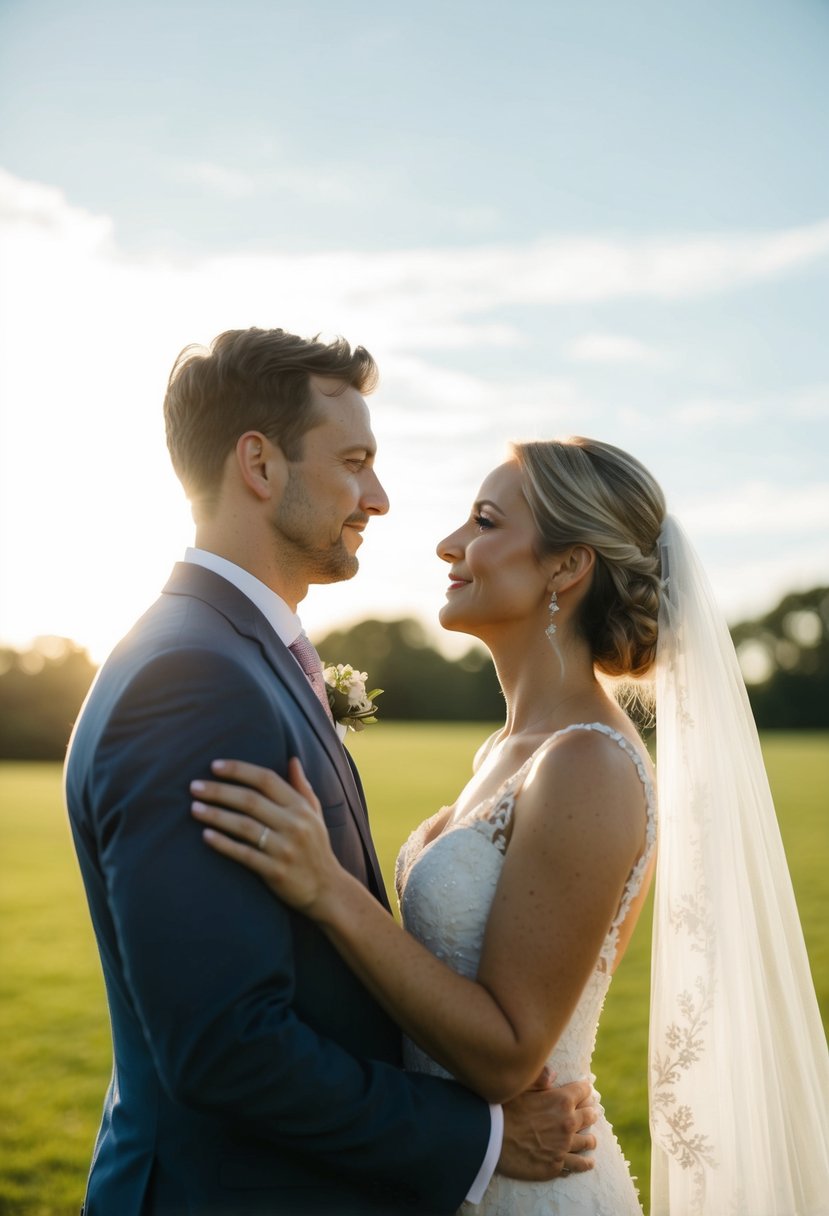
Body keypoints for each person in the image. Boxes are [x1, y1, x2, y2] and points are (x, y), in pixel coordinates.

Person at [191, 436, 829, 1215]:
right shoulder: (506, 749)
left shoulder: (586, 765)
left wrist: (328, 889)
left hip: (528, 1190)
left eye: (485, 522)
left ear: (566, 566)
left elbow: (505, 1054)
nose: (448, 544)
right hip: (455, 1169)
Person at [64, 328, 599, 1216]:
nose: (380, 498)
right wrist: (486, 1137)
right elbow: (226, 1044)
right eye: (354, 461)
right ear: (259, 466)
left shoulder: (235, 655)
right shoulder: (195, 679)